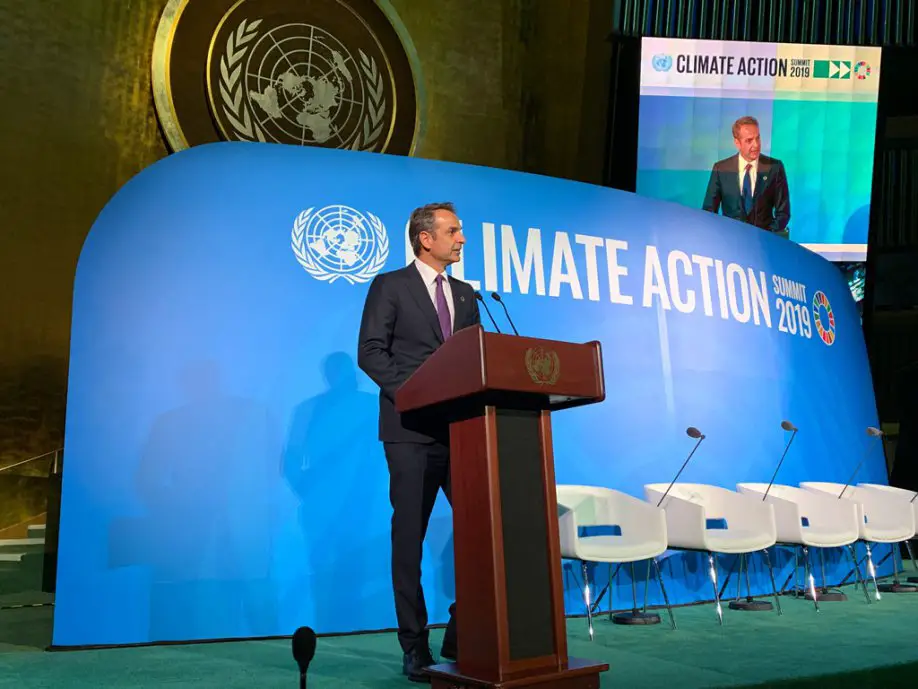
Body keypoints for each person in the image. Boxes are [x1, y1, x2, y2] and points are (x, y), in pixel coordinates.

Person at [357, 201, 481, 682]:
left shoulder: (466, 295)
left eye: (460, 230)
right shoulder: (391, 286)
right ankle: (414, 644)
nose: (461, 238)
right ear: (425, 238)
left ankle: (462, 632)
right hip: (409, 432)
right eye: (453, 230)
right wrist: (415, 392)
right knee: (409, 540)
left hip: (461, 431)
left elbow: (476, 359)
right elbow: (371, 352)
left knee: (483, 532)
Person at [702, 115, 791, 237]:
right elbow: (709, 212)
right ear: (737, 143)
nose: (756, 145)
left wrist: (768, 236)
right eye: (749, 140)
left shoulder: (774, 168)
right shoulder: (721, 169)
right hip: (731, 241)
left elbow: (783, 213)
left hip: (764, 241)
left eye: (757, 138)